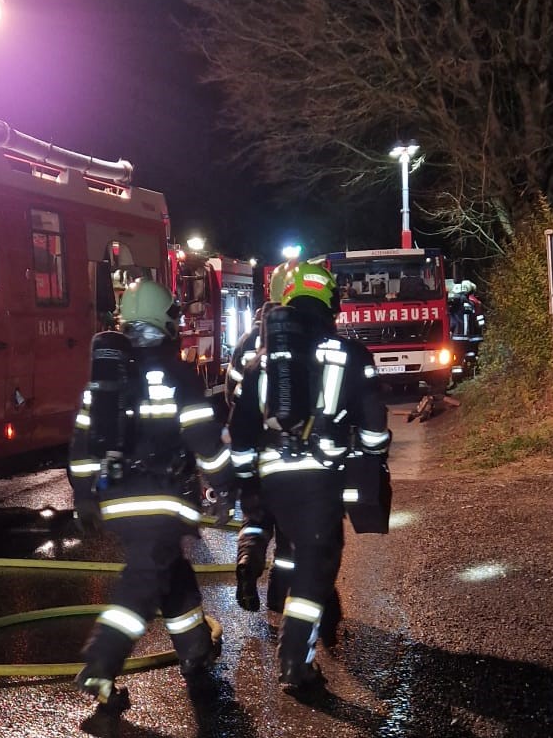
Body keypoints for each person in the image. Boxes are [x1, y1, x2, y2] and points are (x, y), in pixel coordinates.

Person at [228, 259, 390, 694]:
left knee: (291, 550)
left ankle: (261, 571)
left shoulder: (261, 361)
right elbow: (373, 425)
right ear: (330, 304)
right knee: (316, 567)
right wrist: (372, 460)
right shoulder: (350, 354)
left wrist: (247, 487)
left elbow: (240, 428)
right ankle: (294, 663)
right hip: (321, 481)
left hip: (271, 479)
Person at [68, 277, 230, 710]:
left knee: (170, 571)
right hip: (163, 498)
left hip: (117, 498)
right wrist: (227, 488)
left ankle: (195, 649)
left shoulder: (107, 379)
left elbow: (82, 441)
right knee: (141, 584)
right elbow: (205, 442)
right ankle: (100, 663)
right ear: (165, 322)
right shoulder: (178, 374)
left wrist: (84, 495)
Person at [226, 262, 294, 623]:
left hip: (253, 451)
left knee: (255, 518)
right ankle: (278, 601)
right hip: (289, 458)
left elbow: (232, 394)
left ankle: (247, 563)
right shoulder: (300, 337)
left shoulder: (247, 342)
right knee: (287, 534)